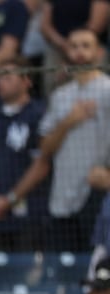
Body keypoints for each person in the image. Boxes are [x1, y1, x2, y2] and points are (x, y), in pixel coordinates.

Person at [6, 29, 110, 252]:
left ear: (99, 52)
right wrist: (68, 122)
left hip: (97, 194)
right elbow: (44, 148)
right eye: (74, 46)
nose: (80, 52)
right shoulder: (60, 96)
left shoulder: (108, 90)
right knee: (64, 271)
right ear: (67, 52)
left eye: (86, 45)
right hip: (62, 197)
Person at [0, 67, 49, 252]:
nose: (0, 82)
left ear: (27, 81)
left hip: (29, 216)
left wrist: (9, 199)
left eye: (7, 77)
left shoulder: (39, 114)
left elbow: (41, 166)